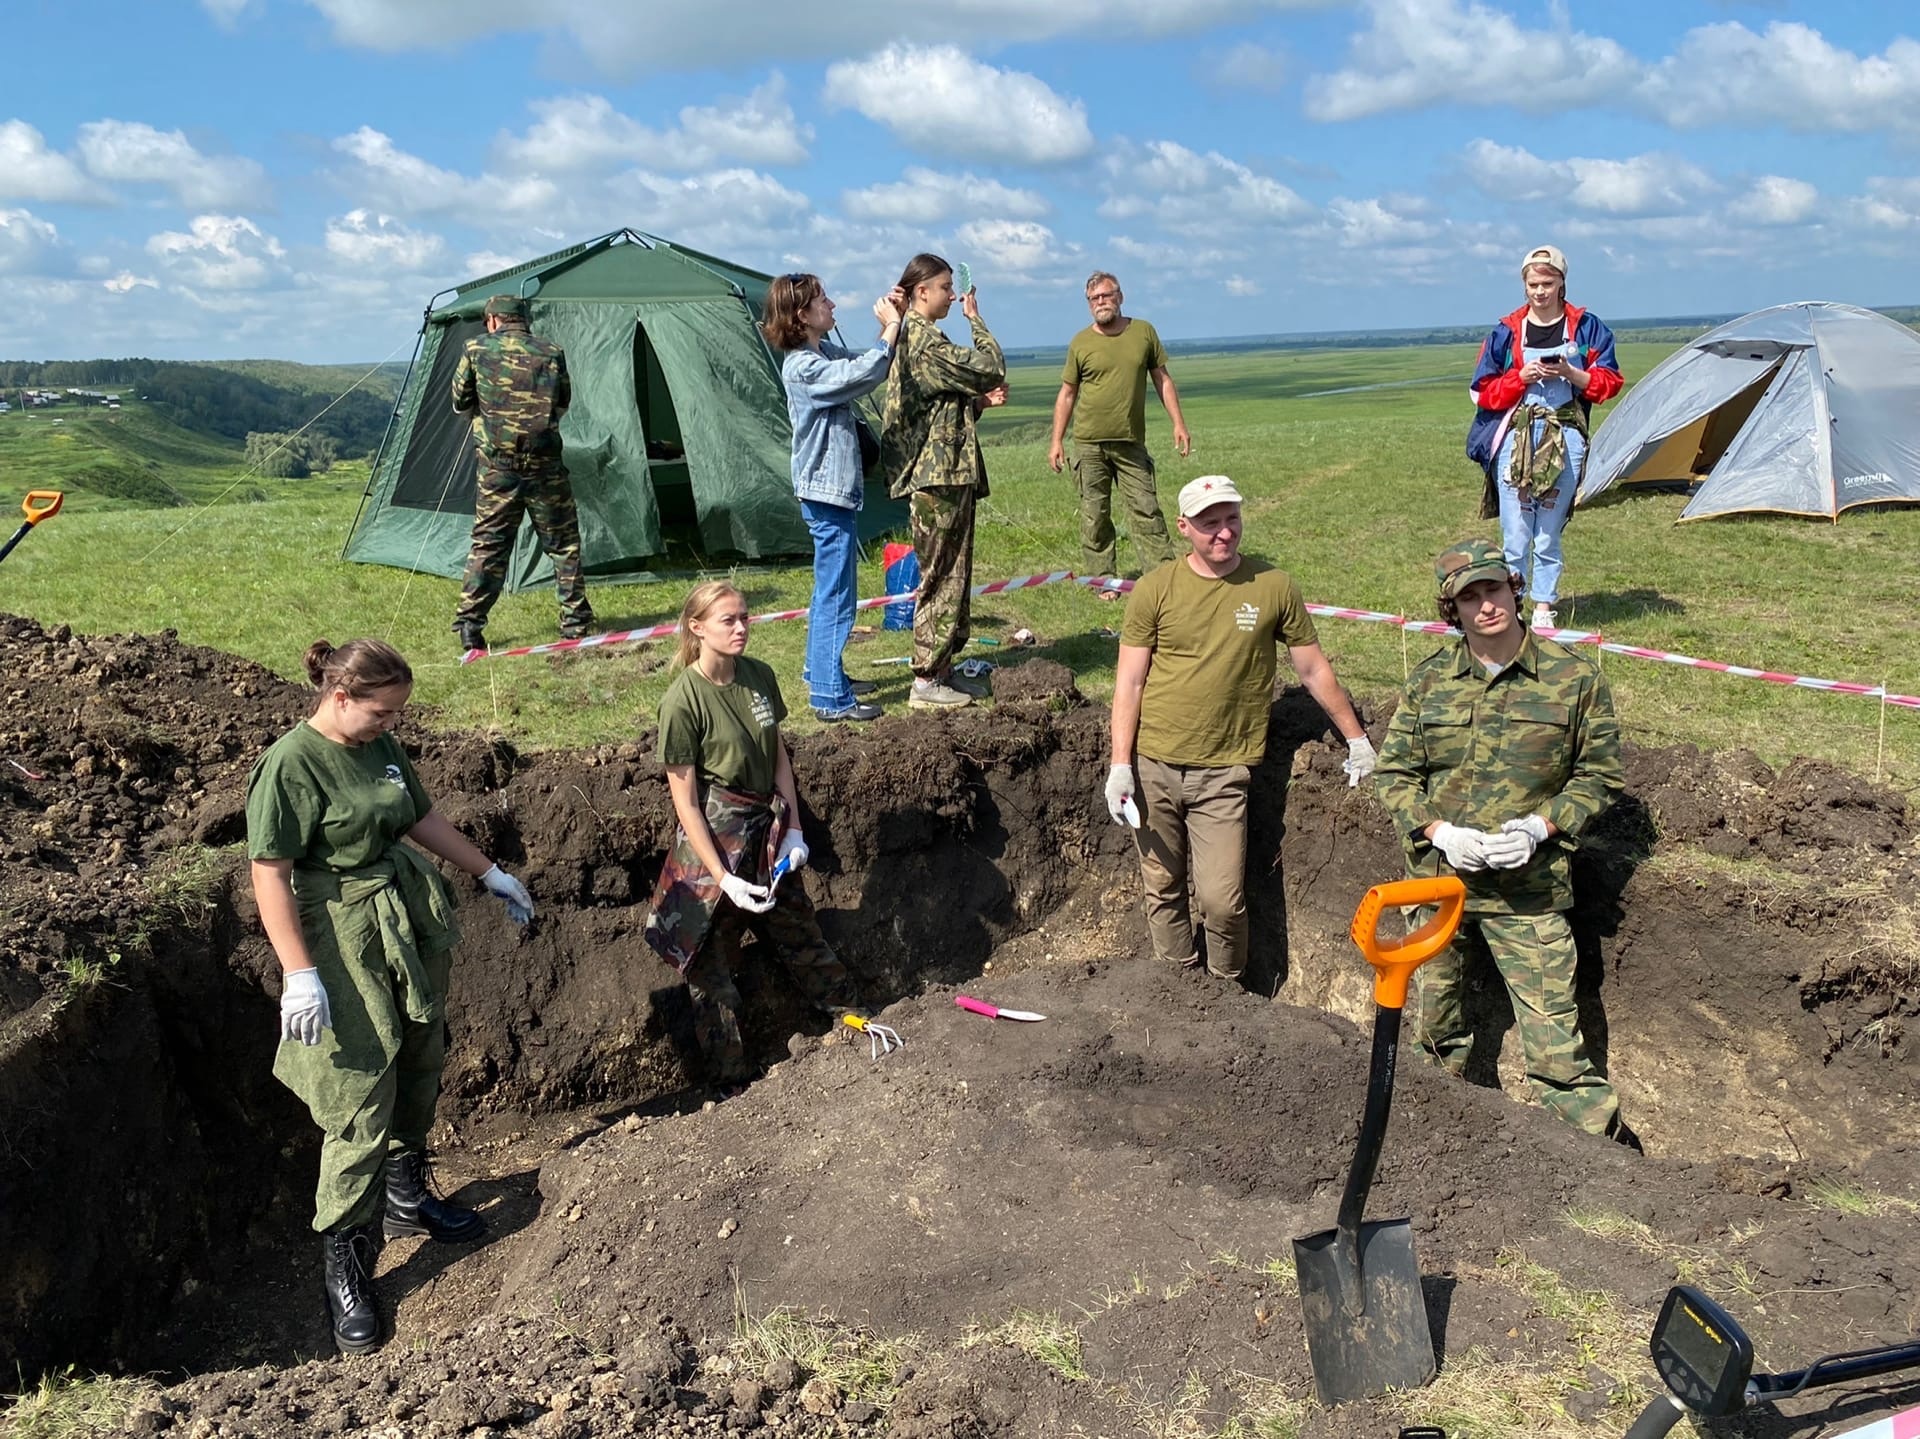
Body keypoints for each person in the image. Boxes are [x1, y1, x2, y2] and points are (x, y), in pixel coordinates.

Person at [246, 638, 536, 1354]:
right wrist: (299, 972)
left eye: (398, 713)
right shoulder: (290, 764)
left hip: (399, 916)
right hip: (338, 933)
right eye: (383, 712)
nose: (392, 725)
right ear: (339, 696)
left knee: (418, 1052)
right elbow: (270, 874)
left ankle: (406, 1193)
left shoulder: (379, 745)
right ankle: (345, 1253)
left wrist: (488, 870)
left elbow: (416, 815)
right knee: (358, 1089)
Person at [1373, 537, 1639, 1150]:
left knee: (1556, 1048)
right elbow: (1396, 776)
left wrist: (1540, 827)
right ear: (1452, 609)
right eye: (1469, 596)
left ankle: (1605, 1166)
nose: (1486, 605)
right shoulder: (1430, 683)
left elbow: (1599, 775)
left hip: (1530, 890)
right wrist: (1441, 832)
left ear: (1514, 590)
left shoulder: (1574, 681)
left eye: (1493, 589)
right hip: (1440, 887)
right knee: (1438, 1035)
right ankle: (1430, 1145)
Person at [1104, 475, 1377, 984]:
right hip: (1154, 763)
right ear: (1184, 528)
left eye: (1232, 519)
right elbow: (1130, 681)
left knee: (1221, 901)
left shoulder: (1272, 587)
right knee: (1162, 886)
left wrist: (1356, 738)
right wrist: (1121, 765)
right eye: (1210, 524)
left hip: (1224, 772)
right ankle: (1177, 982)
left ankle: (1226, 993)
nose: (1224, 533)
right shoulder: (1156, 590)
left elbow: (1313, 669)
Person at [642, 581, 865, 1086]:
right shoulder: (682, 701)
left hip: (767, 831)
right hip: (714, 838)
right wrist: (722, 877)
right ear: (697, 628)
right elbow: (687, 805)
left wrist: (794, 830)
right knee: (710, 966)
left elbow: (779, 754)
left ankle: (853, 1019)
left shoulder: (760, 676)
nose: (742, 627)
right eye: (729, 620)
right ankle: (732, 1084)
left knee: (801, 932)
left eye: (745, 617)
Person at [762, 272, 904, 723]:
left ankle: (821, 671)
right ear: (802, 314)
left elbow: (865, 361)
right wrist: (892, 326)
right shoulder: (802, 366)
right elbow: (864, 373)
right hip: (826, 494)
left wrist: (893, 318)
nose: (833, 305)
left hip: (830, 491)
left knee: (831, 589)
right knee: (836, 593)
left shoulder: (819, 353)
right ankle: (829, 697)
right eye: (823, 300)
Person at [1466, 244, 1623, 632]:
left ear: (1561, 283)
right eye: (1533, 284)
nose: (1540, 291)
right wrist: (1521, 378)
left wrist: (1570, 374)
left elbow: (1609, 382)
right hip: (1516, 438)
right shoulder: (1505, 331)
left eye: (1547, 283)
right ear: (1524, 285)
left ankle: (1543, 606)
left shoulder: (1588, 328)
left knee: (1548, 529)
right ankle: (1513, 601)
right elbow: (1481, 391)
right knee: (1516, 529)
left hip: (1565, 434)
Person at [881, 252, 1009, 711]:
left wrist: (976, 406)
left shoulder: (921, 337)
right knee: (941, 576)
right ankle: (926, 680)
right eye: (945, 288)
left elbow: (937, 413)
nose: (953, 296)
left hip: (948, 470)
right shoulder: (924, 341)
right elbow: (990, 366)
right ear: (921, 292)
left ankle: (942, 670)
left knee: (954, 573)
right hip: (938, 478)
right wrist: (978, 322)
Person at [450, 292, 593, 653]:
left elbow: (460, 402)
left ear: (494, 320)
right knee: (563, 545)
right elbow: (562, 402)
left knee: (489, 545)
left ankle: (470, 626)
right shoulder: (551, 351)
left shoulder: (475, 350)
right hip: (545, 464)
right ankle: (575, 623)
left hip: (498, 467)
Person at [1048, 271, 1192, 591]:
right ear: (1088, 304)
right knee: (1094, 515)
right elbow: (1067, 393)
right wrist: (1056, 440)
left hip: (1130, 442)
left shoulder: (1143, 332)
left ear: (1120, 297)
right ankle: (1103, 583)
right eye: (1094, 298)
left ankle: (1161, 579)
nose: (1101, 302)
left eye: (1107, 295)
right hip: (1088, 444)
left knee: (1146, 509)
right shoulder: (1080, 342)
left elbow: (1162, 380)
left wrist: (1178, 423)